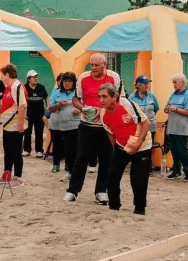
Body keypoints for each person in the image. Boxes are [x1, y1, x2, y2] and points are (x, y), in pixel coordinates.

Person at [64, 53, 124, 204]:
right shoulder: (83, 78)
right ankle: (72, 191)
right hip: (87, 125)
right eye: (91, 65)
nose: (94, 68)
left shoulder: (114, 77)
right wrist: (83, 108)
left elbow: (119, 99)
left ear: (105, 65)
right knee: (81, 158)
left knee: (106, 160)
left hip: (107, 126)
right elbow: (75, 98)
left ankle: (101, 191)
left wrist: (103, 111)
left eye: (97, 65)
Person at [100, 83, 153, 215]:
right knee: (112, 176)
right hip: (121, 145)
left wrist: (138, 143)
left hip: (142, 145)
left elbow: (146, 123)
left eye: (104, 96)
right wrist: (116, 150)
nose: (101, 100)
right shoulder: (103, 113)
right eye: (99, 97)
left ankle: (139, 209)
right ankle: (114, 206)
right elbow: (110, 133)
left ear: (114, 97)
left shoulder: (127, 104)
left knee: (138, 179)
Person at [47, 72, 80, 177]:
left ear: (74, 82)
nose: (67, 83)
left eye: (70, 81)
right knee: (57, 144)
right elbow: (50, 109)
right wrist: (58, 104)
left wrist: (78, 109)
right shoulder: (56, 92)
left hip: (73, 124)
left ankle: (70, 169)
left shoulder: (78, 92)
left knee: (71, 147)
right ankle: (56, 163)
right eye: (65, 81)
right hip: (57, 123)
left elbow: (84, 105)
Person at [0, 64, 27, 182]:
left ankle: (18, 176)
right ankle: (7, 174)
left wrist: (20, 124)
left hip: (15, 126)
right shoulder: (9, 87)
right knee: (8, 151)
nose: (1, 78)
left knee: (16, 152)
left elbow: (22, 105)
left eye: (2, 75)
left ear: (7, 74)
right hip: (7, 126)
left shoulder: (17, 86)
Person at [165, 74, 188, 183]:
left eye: (175, 82)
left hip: (182, 127)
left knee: (183, 150)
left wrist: (176, 109)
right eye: (173, 82)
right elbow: (167, 107)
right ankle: (176, 171)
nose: (174, 85)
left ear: (182, 82)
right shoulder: (173, 95)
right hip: (172, 127)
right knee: (174, 150)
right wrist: (167, 109)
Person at [23, 70, 48, 158]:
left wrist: (48, 107)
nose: (36, 78)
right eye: (34, 77)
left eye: (36, 77)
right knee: (27, 132)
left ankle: (39, 150)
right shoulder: (24, 88)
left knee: (39, 132)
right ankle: (26, 150)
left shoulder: (41, 87)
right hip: (28, 114)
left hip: (40, 113)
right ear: (29, 79)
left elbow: (46, 97)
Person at [129, 75, 160, 143]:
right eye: (145, 84)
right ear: (139, 85)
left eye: (147, 84)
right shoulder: (132, 97)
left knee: (150, 147)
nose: (147, 86)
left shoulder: (152, 96)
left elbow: (156, 109)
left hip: (151, 127)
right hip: (138, 128)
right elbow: (129, 112)